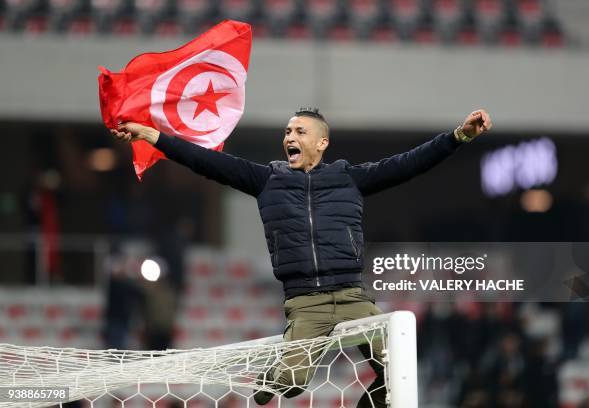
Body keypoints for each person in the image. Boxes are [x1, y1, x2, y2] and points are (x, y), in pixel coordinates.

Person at [110, 107, 492, 407]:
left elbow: (409, 163)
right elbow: (203, 160)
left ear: (322, 143)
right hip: (306, 303)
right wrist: (151, 135)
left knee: (400, 371)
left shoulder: (348, 178)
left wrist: (458, 137)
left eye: (299, 132)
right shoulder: (266, 180)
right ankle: (272, 379)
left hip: (354, 299)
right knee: (292, 386)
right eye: (287, 132)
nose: (289, 137)